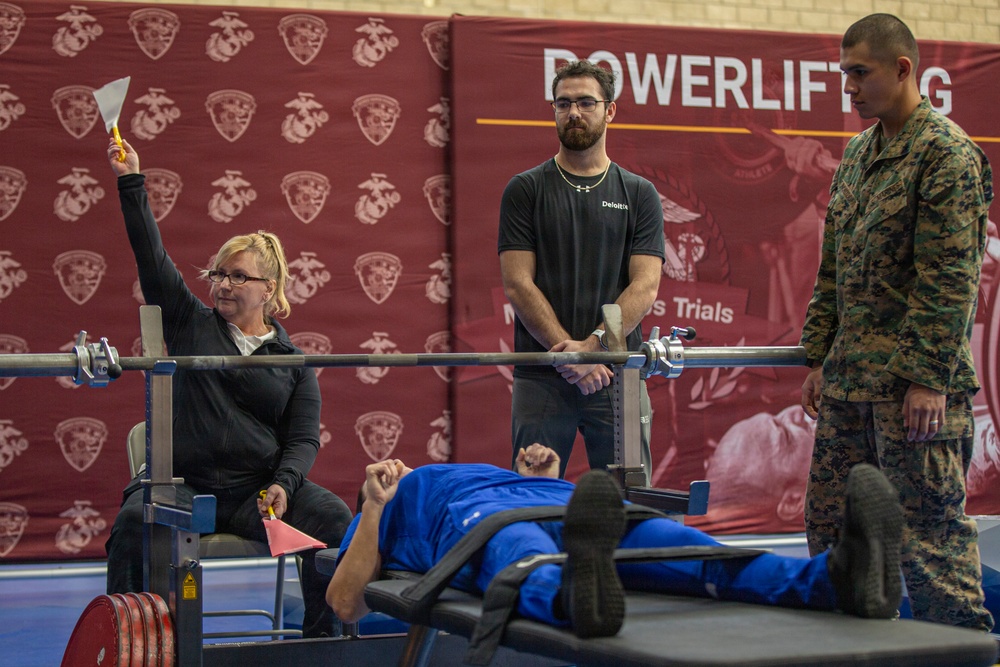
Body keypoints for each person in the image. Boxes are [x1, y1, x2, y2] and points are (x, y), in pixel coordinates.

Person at [103, 137, 353, 638]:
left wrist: (282, 485)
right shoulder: (188, 321)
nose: (223, 284)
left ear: (270, 289)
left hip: (252, 494)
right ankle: (128, 646)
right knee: (133, 524)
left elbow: (303, 440)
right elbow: (150, 255)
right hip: (181, 486)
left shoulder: (292, 361)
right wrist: (131, 181)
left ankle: (323, 645)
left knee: (333, 519)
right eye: (219, 273)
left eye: (239, 277)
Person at [799, 13, 994, 631]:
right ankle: (846, 649)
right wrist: (818, 358)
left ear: (903, 69)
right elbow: (834, 265)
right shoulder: (859, 153)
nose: (849, 87)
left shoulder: (946, 155)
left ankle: (965, 652)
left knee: (927, 542)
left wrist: (928, 378)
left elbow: (950, 277)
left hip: (913, 392)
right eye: (845, 74)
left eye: (861, 73)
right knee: (830, 535)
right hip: (850, 385)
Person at [328, 444, 904, 637]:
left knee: (691, 551)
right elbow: (345, 603)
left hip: (566, 505)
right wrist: (375, 506)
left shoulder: (477, 470)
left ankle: (834, 579)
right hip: (476, 521)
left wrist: (538, 479)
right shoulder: (393, 504)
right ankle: (573, 597)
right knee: (519, 551)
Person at [498, 60, 665, 480]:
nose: (573, 112)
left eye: (586, 102)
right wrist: (567, 353)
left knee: (626, 506)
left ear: (610, 110)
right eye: (563, 103)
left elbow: (645, 286)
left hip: (618, 376)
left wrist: (592, 347)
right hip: (542, 375)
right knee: (531, 502)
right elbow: (518, 283)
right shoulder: (525, 189)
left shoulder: (640, 194)